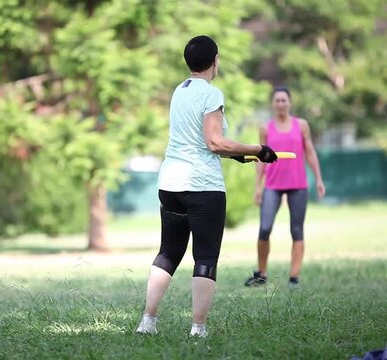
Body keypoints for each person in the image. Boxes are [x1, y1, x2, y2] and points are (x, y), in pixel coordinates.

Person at [135, 35, 277, 338]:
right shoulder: (211, 94)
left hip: (171, 183)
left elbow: (205, 141)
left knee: (169, 253)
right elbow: (214, 142)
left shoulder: (180, 90)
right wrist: (259, 149)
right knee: (206, 256)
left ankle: (148, 321)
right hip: (202, 186)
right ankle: (198, 329)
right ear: (215, 61)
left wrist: (241, 154)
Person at [243, 87, 325, 289]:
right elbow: (260, 159)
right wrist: (257, 186)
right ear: (273, 104)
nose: (280, 103)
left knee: (296, 230)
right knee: (264, 228)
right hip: (273, 185)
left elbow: (311, 152)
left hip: (298, 185)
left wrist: (319, 178)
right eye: (277, 100)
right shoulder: (265, 129)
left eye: (284, 100)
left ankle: (294, 277)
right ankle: (261, 274)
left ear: (290, 102)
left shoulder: (302, 125)